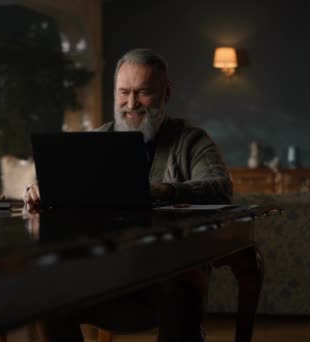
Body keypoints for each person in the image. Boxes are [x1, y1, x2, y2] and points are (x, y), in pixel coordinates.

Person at [24, 48, 232, 342]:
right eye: (124, 92)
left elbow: (220, 187)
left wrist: (163, 189)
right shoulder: (94, 141)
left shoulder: (192, 141)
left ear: (166, 92)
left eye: (143, 92)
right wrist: (38, 189)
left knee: (186, 285)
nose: (131, 103)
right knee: (45, 291)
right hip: (101, 272)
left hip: (168, 273)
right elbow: (52, 186)